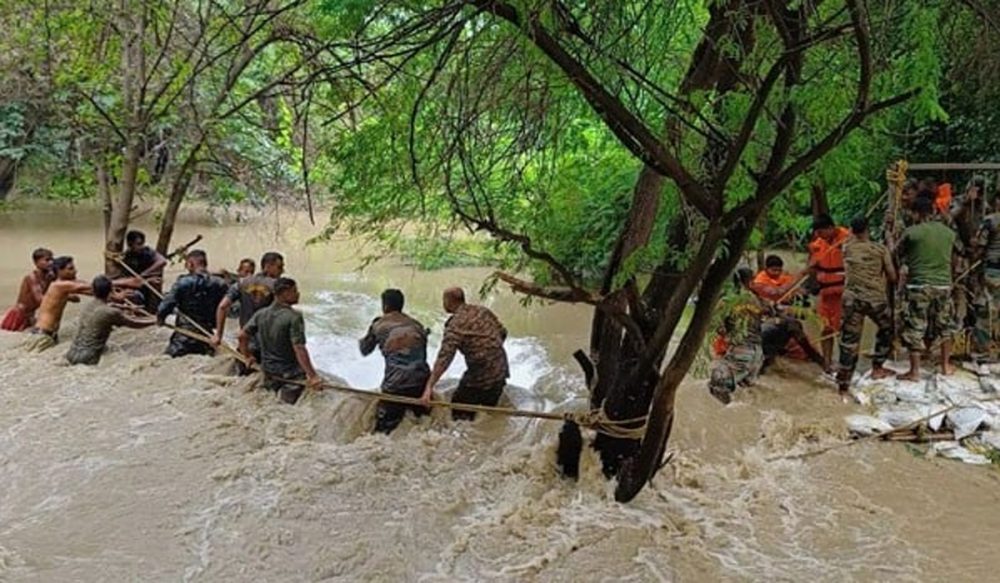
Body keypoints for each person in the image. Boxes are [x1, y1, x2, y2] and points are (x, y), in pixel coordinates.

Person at [420, 288, 509, 421]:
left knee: (459, 413)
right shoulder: (483, 311)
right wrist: (489, 352)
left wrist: (428, 388)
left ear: (449, 301)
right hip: (501, 371)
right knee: (488, 415)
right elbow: (503, 332)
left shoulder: (455, 325)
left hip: (480, 376)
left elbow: (444, 359)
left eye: (444, 300)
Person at [896, 196, 960, 380]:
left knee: (915, 327)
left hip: (918, 285)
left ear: (916, 213)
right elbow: (958, 254)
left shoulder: (911, 232)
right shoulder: (949, 233)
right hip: (943, 284)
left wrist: (890, 238)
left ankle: (914, 371)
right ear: (933, 211)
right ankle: (945, 366)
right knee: (945, 326)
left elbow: (896, 253)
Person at [836, 216, 898, 397]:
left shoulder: (846, 248)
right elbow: (892, 277)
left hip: (852, 300)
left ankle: (843, 384)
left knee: (849, 341)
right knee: (888, 329)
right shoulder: (880, 250)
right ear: (868, 229)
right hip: (875, 300)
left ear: (852, 230)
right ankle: (878, 366)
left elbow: (849, 239)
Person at [239, 277, 321, 404]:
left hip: (268, 372)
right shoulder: (294, 317)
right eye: (294, 291)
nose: (298, 294)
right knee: (287, 408)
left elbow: (242, 336)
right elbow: (299, 347)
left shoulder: (261, 314)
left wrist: (247, 356)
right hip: (290, 375)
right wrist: (313, 376)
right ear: (284, 293)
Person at [359, 289, 431, 433]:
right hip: (422, 385)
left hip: (395, 385)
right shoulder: (417, 325)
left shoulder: (378, 324)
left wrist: (367, 336)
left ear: (385, 306)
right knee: (423, 426)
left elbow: (365, 350)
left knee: (381, 433)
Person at [747, 256, 824, 369]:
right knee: (792, 325)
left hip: (776, 316)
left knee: (795, 326)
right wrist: (801, 274)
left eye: (779, 270)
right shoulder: (758, 284)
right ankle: (818, 360)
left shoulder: (783, 278)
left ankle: (816, 359)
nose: (777, 273)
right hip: (759, 329)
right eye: (774, 270)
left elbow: (790, 295)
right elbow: (778, 293)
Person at [65, 275, 156, 365]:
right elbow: (134, 323)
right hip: (89, 357)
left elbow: (108, 306)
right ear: (112, 290)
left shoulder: (88, 306)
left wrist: (127, 308)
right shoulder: (111, 312)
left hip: (71, 353)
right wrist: (155, 321)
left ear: (93, 290)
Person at [156, 250, 229, 357]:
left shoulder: (182, 282)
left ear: (190, 264)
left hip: (184, 336)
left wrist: (160, 318)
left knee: (166, 360)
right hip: (207, 336)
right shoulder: (220, 284)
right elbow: (224, 308)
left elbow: (166, 305)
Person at [709, 268, 765, 404]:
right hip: (757, 353)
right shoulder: (756, 300)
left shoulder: (727, 300)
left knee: (717, 386)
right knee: (746, 395)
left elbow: (718, 327)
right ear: (750, 281)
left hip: (740, 351)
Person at [213, 252, 284, 358]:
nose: (282, 270)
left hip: (245, 343)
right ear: (268, 266)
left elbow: (222, 306)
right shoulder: (277, 286)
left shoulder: (241, 283)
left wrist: (218, 335)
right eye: (280, 267)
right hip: (267, 346)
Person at [807, 214, 851, 372]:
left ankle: (845, 364)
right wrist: (812, 282)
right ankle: (827, 362)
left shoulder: (848, 239)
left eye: (821, 232)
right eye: (817, 233)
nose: (819, 236)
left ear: (830, 228)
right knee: (826, 328)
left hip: (843, 293)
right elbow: (811, 266)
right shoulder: (818, 244)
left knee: (844, 330)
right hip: (825, 294)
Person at [24, 256, 92, 352]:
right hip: (42, 336)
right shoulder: (59, 285)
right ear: (59, 271)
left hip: (45, 335)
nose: (75, 271)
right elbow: (90, 287)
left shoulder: (61, 286)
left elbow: (84, 292)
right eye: (70, 269)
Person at [970, 189, 1000, 368]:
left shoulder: (990, 220)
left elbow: (980, 246)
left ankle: (984, 352)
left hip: (993, 271)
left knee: (986, 311)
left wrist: (973, 253)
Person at [115, 230, 168, 312]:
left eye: (142, 243)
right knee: (132, 295)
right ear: (130, 244)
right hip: (133, 285)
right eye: (138, 244)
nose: (141, 247)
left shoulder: (147, 251)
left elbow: (162, 261)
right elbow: (126, 277)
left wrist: (144, 274)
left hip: (147, 285)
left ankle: (152, 309)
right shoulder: (126, 256)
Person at [1, 248, 54, 331]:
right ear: (36, 262)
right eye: (47, 260)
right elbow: (40, 299)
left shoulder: (49, 277)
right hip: (19, 315)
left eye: (52, 259)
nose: (51, 262)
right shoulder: (31, 278)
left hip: (30, 315)